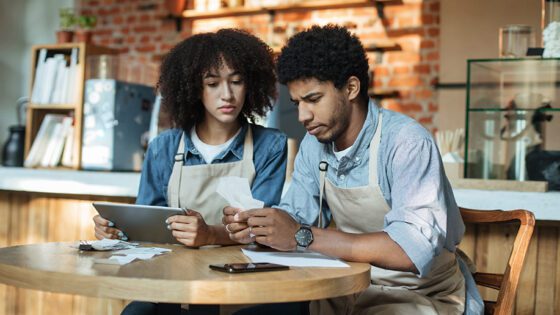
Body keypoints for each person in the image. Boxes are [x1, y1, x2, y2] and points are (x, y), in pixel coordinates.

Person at [224, 24, 484, 315]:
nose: (302, 116)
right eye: (297, 103)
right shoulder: (314, 145)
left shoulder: (406, 142)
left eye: (313, 99)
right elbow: (296, 218)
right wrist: (261, 227)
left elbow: (411, 250)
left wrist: (301, 235)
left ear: (351, 88)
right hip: (344, 290)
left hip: (417, 296)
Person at [92, 28, 288, 314]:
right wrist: (117, 232)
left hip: (241, 284)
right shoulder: (164, 148)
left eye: (237, 81)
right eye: (212, 83)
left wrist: (210, 235)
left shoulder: (269, 145)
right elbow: (147, 231)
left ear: (250, 85)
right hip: (173, 283)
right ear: (195, 88)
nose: (228, 94)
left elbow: (263, 231)